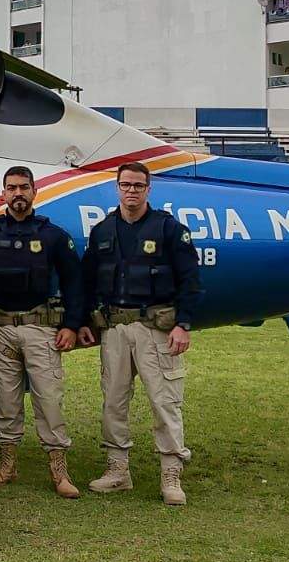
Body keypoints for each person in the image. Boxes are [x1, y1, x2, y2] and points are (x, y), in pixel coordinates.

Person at [78, 162, 202, 506]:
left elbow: (190, 280)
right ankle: (118, 470)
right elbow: (88, 281)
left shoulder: (169, 229)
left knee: (165, 401)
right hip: (115, 328)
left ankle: (171, 472)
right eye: (125, 185)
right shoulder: (103, 231)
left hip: (155, 329)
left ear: (149, 189)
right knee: (113, 401)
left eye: (138, 185)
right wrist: (84, 321)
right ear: (117, 188)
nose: (131, 191)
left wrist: (184, 324)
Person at [0, 166, 83, 499]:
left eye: (24, 187)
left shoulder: (53, 236)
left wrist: (72, 325)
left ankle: (59, 472)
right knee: (6, 402)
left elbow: (74, 282)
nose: (18, 193)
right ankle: (6, 467)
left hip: (42, 329)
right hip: (1, 330)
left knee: (48, 400)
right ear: (2, 193)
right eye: (11, 188)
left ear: (35, 192)